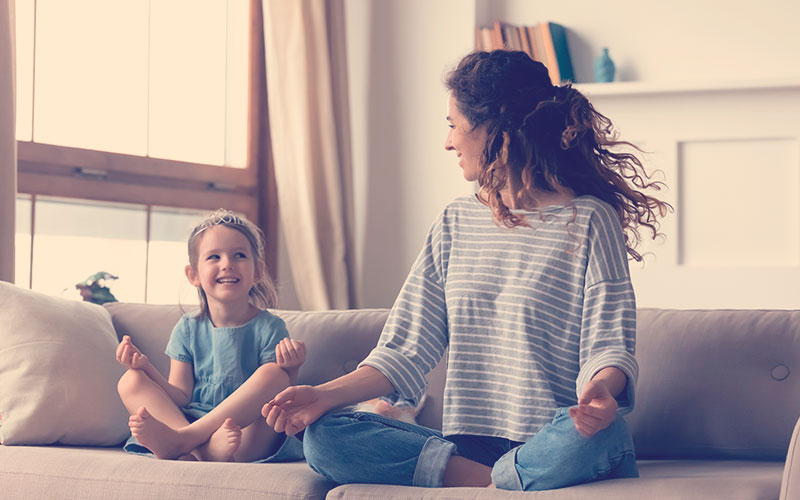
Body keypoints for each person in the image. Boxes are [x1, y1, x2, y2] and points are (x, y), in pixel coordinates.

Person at [262, 50, 671, 490]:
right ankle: (499, 484)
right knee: (325, 438)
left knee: (598, 437)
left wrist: (603, 391)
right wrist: (323, 395)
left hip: (557, 435)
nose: (448, 141)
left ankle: (494, 479)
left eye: (454, 125)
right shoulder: (455, 222)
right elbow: (403, 350)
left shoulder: (591, 219)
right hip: (468, 446)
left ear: (498, 133)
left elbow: (607, 343)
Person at [116, 209, 306, 462]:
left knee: (274, 374)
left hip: (243, 430)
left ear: (257, 271)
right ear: (193, 274)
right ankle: (199, 448)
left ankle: (184, 443)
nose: (227, 263)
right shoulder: (187, 328)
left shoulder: (270, 327)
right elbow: (180, 396)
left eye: (239, 255)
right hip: (193, 420)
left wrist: (292, 369)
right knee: (130, 381)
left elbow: (280, 391)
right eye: (214, 257)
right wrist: (146, 368)